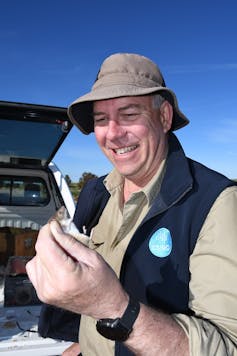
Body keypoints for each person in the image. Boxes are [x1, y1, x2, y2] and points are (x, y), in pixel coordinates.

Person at [26, 53, 237, 356]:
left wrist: (113, 306)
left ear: (164, 118)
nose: (112, 134)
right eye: (101, 120)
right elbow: (91, 310)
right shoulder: (96, 192)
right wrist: (81, 347)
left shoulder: (216, 203)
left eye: (128, 114)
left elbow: (228, 347)